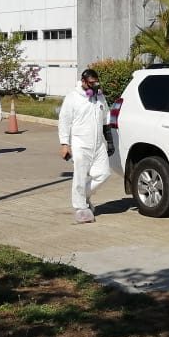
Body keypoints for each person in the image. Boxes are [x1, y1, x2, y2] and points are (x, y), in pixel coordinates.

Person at [58, 68, 113, 224]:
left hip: (98, 143)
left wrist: (109, 141)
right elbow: (64, 121)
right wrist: (64, 144)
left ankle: (84, 195)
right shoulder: (72, 98)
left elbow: (106, 118)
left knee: (104, 174)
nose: (94, 86)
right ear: (83, 82)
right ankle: (81, 208)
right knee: (80, 176)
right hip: (80, 143)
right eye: (91, 83)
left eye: (96, 82)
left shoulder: (99, 97)